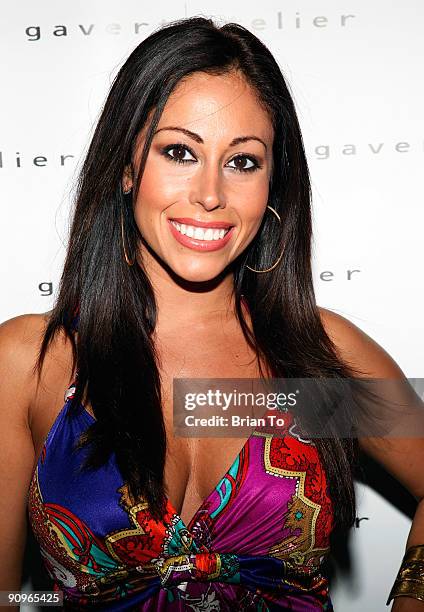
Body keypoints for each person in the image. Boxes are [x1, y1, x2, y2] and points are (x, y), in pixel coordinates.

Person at [0, 15, 423, 612]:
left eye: (243, 161)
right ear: (125, 168)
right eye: (179, 152)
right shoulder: (28, 364)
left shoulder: (315, 353)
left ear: (274, 183)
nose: (210, 195)